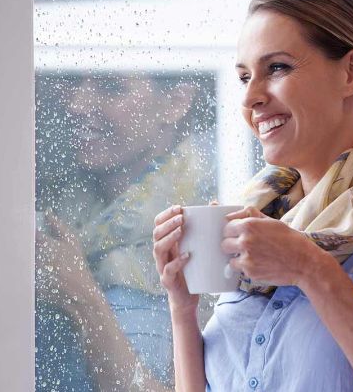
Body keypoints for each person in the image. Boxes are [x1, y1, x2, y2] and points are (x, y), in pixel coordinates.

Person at [152, 0, 353, 391]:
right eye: (245, 77)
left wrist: (310, 268)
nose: (251, 98)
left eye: (276, 68)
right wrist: (182, 309)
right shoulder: (262, 214)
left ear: (351, 71)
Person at [35, 73, 217, 391]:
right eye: (73, 81)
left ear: (176, 103)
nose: (77, 105)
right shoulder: (53, 212)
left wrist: (82, 297)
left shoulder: (205, 224)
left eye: (111, 87)